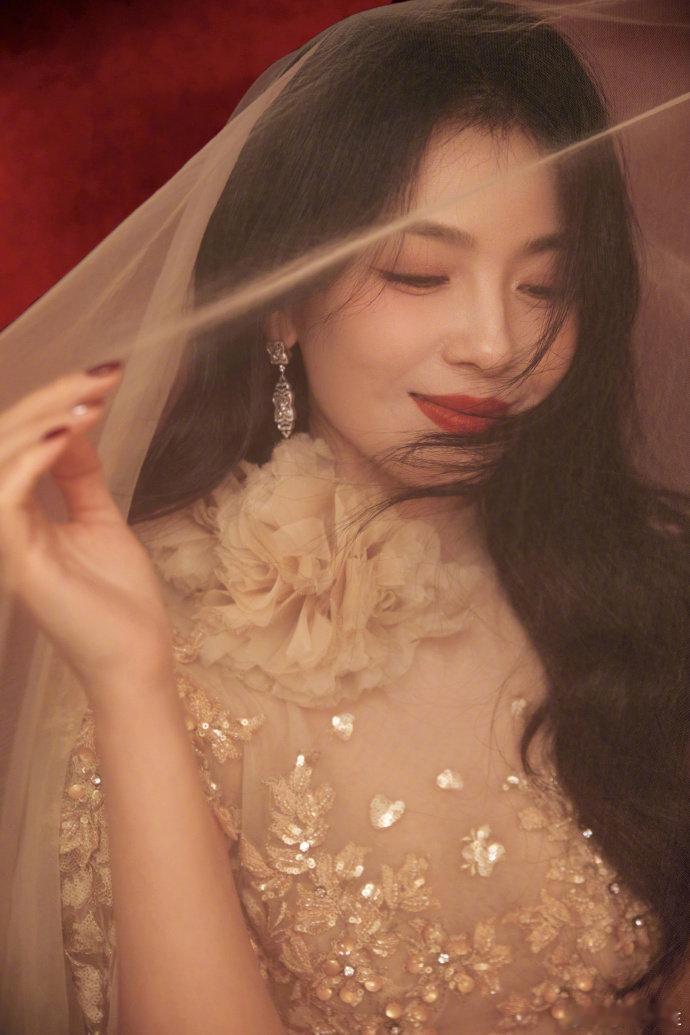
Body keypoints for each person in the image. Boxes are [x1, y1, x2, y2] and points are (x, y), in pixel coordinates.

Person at [0, 1, 687, 1033]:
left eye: (547, 285)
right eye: (419, 274)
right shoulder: (152, 633)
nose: (496, 343)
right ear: (282, 299)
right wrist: (131, 679)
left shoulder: (643, 585)